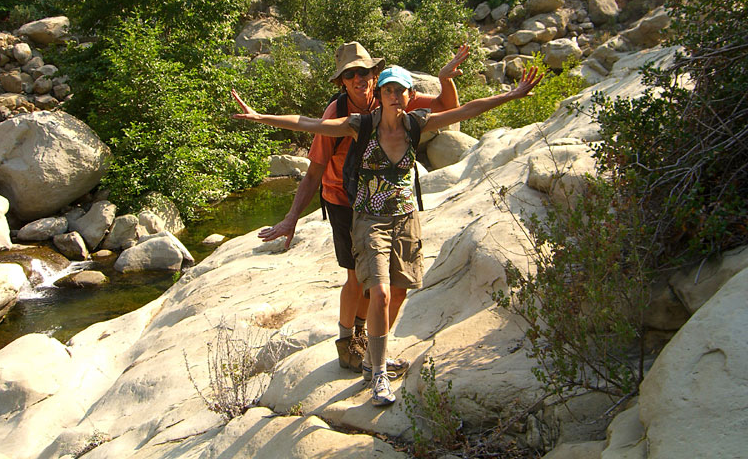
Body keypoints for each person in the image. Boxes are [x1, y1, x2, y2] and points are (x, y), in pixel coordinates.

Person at [232, 63, 543, 407]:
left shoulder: (416, 123)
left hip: (406, 220)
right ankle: (377, 372)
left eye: (401, 90)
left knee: (398, 293)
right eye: (388, 90)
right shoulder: (360, 125)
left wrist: (511, 95)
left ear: (410, 96)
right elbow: (308, 123)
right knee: (377, 293)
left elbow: (466, 109)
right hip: (369, 220)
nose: (394, 96)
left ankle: (372, 358)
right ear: (379, 95)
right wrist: (261, 117)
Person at [257, 41, 469, 378]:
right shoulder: (336, 113)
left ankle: (365, 342)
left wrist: (447, 77)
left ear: (375, 75)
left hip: (381, 199)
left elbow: (447, 106)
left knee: (378, 282)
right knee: (357, 277)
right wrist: (291, 219)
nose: (359, 79)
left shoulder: (389, 95)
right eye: (350, 74)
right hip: (343, 199)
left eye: (365, 72)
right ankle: (347, 347)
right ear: (342, 81)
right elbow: (314, 170)